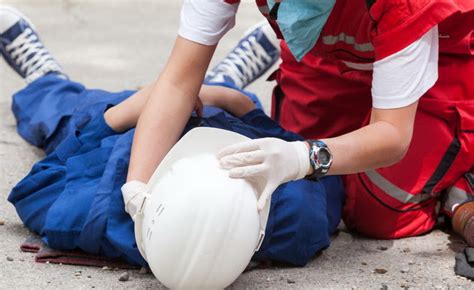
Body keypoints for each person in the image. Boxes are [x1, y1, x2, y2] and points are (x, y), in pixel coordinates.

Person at [0, 6, 344, 267]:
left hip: (129, 135)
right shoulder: (295, 222)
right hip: (226, 122)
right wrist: (232, 101)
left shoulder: (101, 212)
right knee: (213, 100)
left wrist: (127, 113)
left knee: (67, 118)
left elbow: (35, 187)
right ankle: (224, 80)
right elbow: (299, 159)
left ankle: (44, 75)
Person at [119, 1, 473, 245]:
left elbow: (393, 135)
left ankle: (462, 182)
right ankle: (226, 86)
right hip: (330, 54)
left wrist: (306, 157)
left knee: (375, 214)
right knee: (309, 193)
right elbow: (180, 81)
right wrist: (137, 185)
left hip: (441, 59)